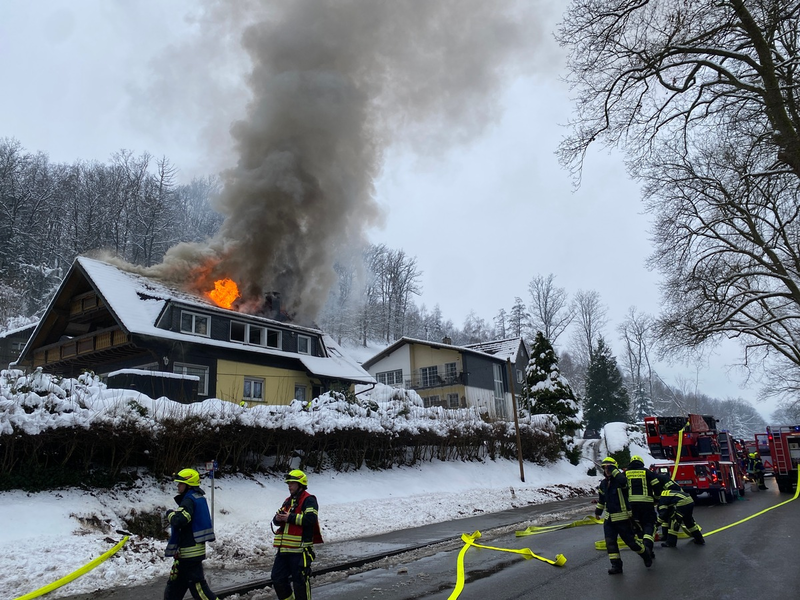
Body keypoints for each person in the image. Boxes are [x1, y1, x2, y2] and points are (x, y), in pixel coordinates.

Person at [164, 468, 218, 600]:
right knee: (174, 589)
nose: (178, 486)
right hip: (188, 554)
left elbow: (179, 520)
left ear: (188, 485)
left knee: (199, 589)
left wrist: (170, 513)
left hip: (189, 554)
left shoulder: (189, 500)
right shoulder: (197, 497)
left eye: (180, 484)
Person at [595, 456, 653, 575]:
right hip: (609, 519)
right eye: (605, 468)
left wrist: (614, 470)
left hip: (623, 518)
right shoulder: (604, 484)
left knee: (631, 542)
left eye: (609, 468)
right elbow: (602, 500)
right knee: (610, 543)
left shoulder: (620, 480)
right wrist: (598, 512)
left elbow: (624, 481)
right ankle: (616, 566)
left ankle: (645, 554)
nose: (607, 470)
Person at [272, 469, 324, 600]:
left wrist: (290, 517)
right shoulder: (287, 501)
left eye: (292, 483)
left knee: (300, 583)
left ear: (300, 484)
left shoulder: (309, 500)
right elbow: (276, 520)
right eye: (288, 483)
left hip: (300, 551)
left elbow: (310, 519)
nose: (289, 486)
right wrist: (277, 519)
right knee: (277, 579)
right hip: (284, 551)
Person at [624, 455, 661, 560]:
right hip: (647, 504)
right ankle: (648, 547)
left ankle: (644, 549)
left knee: (637, 526)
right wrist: (656, 498)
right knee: (649, 525)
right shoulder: (647, 472)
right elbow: (656, 486)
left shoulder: (625, 473)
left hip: (631, 505)